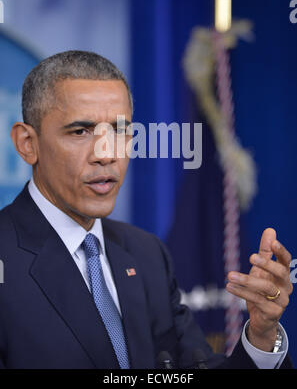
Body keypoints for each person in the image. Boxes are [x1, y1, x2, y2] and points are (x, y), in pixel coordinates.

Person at [0, 50, 293, 369]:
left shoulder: (147, 254)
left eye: (120, 130)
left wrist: (263, 336)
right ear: (27, 143)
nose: (106, 154)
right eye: (80, 131)